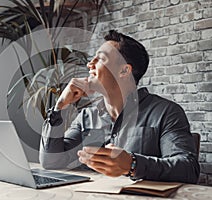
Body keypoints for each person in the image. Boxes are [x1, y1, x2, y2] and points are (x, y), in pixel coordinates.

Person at [39, 30, 200, 184]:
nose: (90, 64)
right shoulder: (86, 117)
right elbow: (51, 162)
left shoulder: (166, 112)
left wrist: (132, 164)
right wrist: (59, 106)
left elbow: (188, 168)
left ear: (124, 70)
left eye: (100, 59)